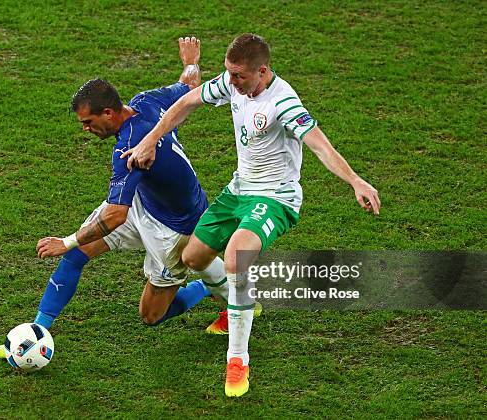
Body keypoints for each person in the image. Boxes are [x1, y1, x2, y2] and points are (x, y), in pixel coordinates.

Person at [122, 33, 381, 397]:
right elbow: (187, 101)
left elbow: (319, 144)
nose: (231, 82)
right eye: (229, 74)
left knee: (235, 257)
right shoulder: (234, 84)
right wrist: (150, 138)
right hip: (239, 191)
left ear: (262, 71)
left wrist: (355, 181)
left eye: (239, 76)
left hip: (275, 198)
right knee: (193, 258)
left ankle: (238, 359)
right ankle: (237, 305)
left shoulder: (284, 103)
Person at [0, 37, 232, 359]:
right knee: (77, 257)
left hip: (174, 230)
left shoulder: (128, 151)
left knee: (151, 316)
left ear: (108, 113)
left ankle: (209, 285)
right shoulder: (146, 102)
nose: (85, 129)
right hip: (144, 203)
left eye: (88, 123)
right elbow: (187, 88)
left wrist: (67, 240)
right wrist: (191, 61)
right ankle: (37, 332)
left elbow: (115, 215)